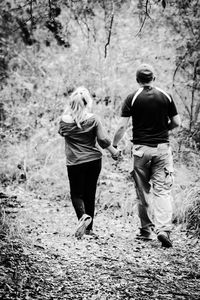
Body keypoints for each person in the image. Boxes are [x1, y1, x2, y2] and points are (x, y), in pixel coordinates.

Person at [112, 64, 181, 248]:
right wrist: (163, 129)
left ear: (137, 80)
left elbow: (121, 127)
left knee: (142, 192)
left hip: (141, 150)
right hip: (162, 149)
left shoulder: (132, 98)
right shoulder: (165, 96)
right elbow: (177, 122)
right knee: (163, 190)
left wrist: (114, 145)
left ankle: (146, 231)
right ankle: (164, 230)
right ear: (154, 78)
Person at [58, 86, 120, 239]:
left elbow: (61, 133)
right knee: (90, 194)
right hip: (93, 160)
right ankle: (89, 229)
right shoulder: (93, 119)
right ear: (87, 103)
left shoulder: (64, 121)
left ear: (71, 103)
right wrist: (114, 152)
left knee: (76, 194)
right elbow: (103, 140)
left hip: (74, 162)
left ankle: (82, 218)